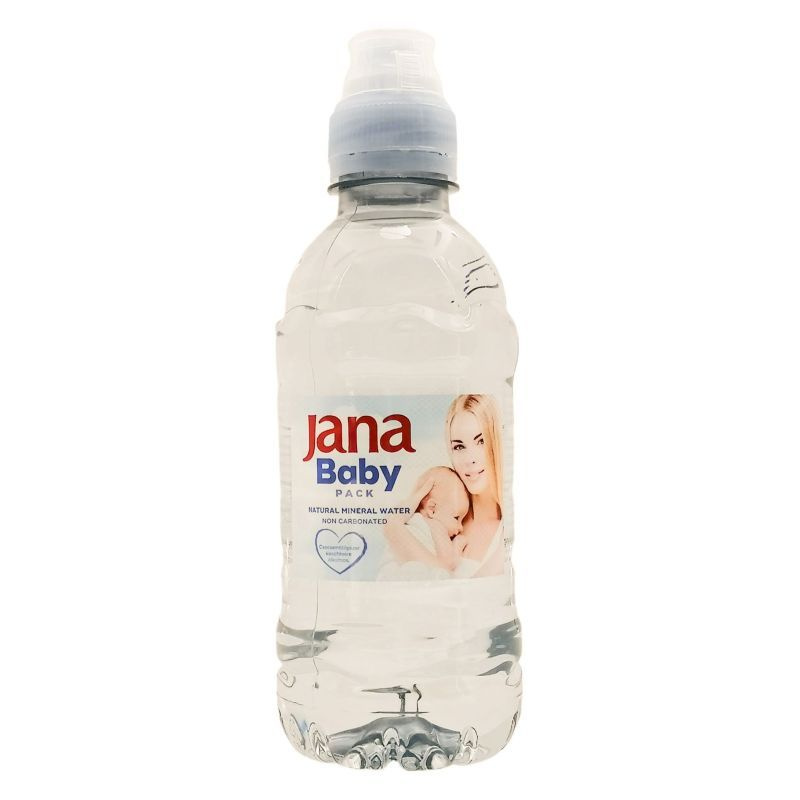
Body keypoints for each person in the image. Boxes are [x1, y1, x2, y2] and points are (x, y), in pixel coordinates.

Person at [382, 394, 506, 579]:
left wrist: (393, 527)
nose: (470, 459)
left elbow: (473, 593)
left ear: (496, 441)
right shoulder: (438, 509)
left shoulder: (508, 531)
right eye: (459, 447)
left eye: (481, 441)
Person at [377, 466, 469, 580]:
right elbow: (449, 563)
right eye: (457, 518)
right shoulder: (436, 525)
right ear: (432, 509)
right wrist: (458, 545)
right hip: (409, 573)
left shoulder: (407, 519)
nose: (460, 527)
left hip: (386, 572)